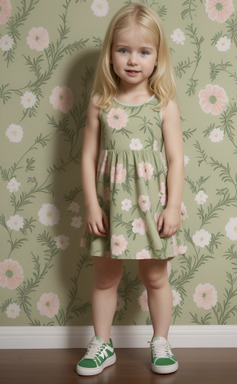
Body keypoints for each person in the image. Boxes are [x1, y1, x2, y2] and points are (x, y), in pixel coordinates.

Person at [76, 3, 185, 377]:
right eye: (123, 50)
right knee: (106, 277)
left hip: (151, 207)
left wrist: (172, 207)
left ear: (158, 57)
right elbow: (88, 158)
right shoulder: (100, 103)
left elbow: (175, 160)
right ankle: (102, 343)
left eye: (143, 51)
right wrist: (92, 205)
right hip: (110, 207)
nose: (133, 60)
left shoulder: (162, 104)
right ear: (110, 53)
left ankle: (160, 341)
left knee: (156, 277)